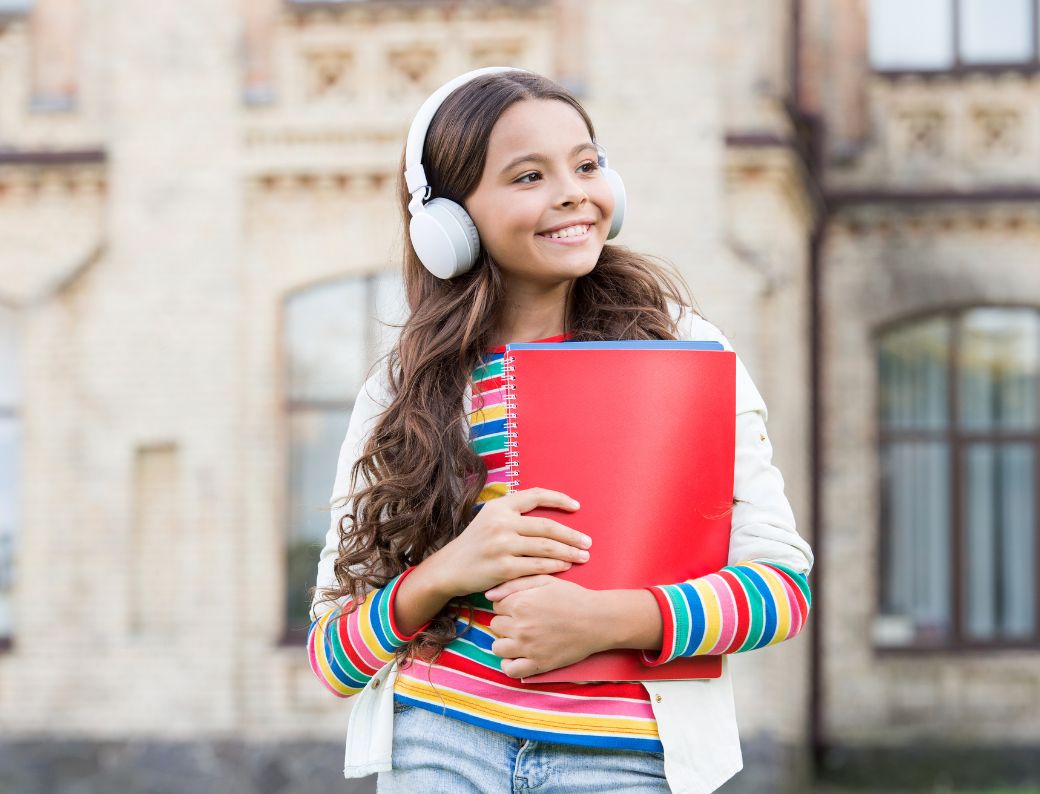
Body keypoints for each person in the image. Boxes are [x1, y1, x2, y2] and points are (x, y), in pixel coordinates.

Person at [306, 66, 814, 794]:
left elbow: (781, 590)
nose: (573, 191)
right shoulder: (402, 390)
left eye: (585, 164)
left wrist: (607, 620)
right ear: (446, 221)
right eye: (528, 176)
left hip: (624, 761)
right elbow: (333, 654)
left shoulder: (686, 356)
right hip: (441, 746)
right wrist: (443, 573)